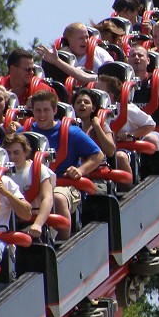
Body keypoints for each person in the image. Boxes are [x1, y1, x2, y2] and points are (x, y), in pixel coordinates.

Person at [28, 90, 105, 240]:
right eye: (38, 110)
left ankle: (63, 244)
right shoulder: (26, 132)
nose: (42, 115)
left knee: (57, 198)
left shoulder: (71, 132)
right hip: (31, 184)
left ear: (55, 110)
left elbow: (98, 155)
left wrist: (80, 170)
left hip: (63, 184)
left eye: (46, 110)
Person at [2, 133, 54, 240]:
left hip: (32, 222)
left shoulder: (37, 170)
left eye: (16, 153)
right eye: (8, 153)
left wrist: (38, 224)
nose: (11, 157)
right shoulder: (1, 173)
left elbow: (47, 199)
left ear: (26, 152)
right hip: (8, 224)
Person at [94, 75, 159, 151]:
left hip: (124, 149)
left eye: (98, 90)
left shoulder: (126, 109)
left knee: (121, 157)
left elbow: (150, 124)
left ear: (110, 96)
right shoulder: (91, 110)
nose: (94, 93)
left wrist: (130, 134)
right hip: (99, 148)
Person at [35, 22, 113, 85]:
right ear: (69, 41)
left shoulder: (99, 53)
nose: (85, 41)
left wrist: (57, 61)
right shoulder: (54, 56)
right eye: (81, 38)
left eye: (87, 37)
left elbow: (110, 78)